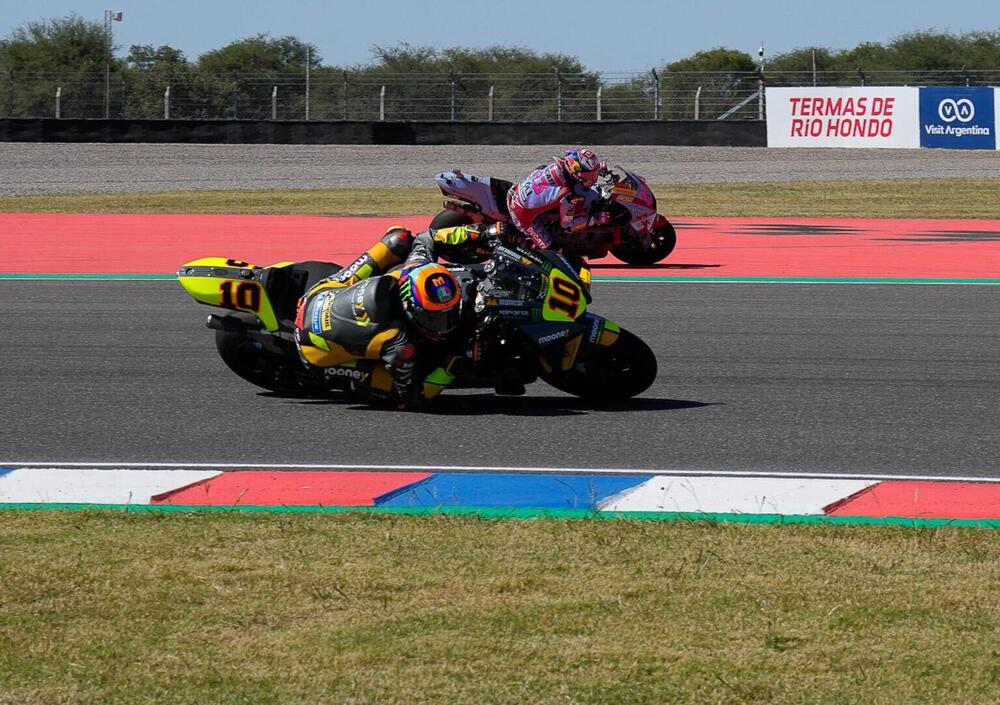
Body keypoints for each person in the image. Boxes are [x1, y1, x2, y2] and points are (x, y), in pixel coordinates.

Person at [293, 225, 478, 408]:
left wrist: (476, 232)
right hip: (312, 345)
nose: (442, 324)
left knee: (399, 239)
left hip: (320, 293)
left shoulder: (414, 269)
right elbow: (413, 398)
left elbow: (427, 238)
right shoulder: (398, 343)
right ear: (409, 306)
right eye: (433, 318)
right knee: (398, 391)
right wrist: (450, 368)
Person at [506, 147, 612, 250]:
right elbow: (567, 225)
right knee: (553, 251)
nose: (592, 178)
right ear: (575, 171)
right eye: (589, 175)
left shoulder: (561, 165)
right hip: (520, 213)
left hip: (520, 190)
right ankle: (526, 243)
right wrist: (594, 219)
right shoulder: (565, 194)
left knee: (543, 168)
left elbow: (581, 165)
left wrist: (598, 169)